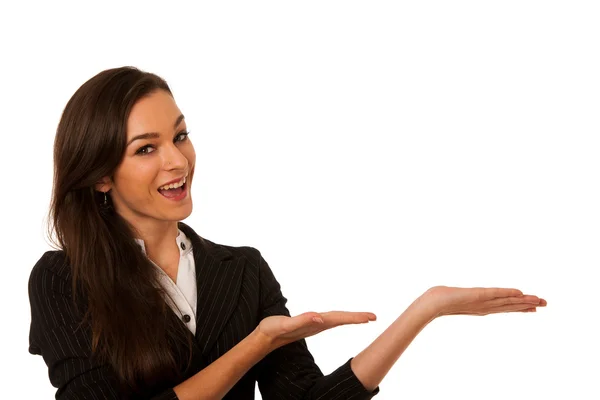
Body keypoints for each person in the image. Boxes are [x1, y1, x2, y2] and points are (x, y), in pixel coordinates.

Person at [28, 66, 547, 400]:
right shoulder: (63, 279)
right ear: (99, 175)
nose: (177, 159)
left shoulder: (242, 270)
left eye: (181, 136)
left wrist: (424, 310)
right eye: (146, 148)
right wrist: (253, 347)